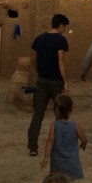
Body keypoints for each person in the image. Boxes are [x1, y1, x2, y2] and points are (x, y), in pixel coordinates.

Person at [27, 14, 70, 157]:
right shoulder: (61, 40)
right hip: (56, 82)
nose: (65, 29)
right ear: (61, 25)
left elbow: (34, 60)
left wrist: (40, 73)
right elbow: (61, 61)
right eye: (65, 27)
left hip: (42, 81)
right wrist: (65, 81)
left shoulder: (39, 39)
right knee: (60, 114)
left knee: (38, 114)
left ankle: (33, 147)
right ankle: (59, 146)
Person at [41, 94, 88, 179]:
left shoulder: (54, 126)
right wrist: (83, 144)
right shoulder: (75, 125)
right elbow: (84, 139)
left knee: (57, 181)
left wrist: (46, 157)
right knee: (69, 182)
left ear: (56, 110)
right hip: (71, 162)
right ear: (70, 110)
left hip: (57, 162)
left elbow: (50, 142)